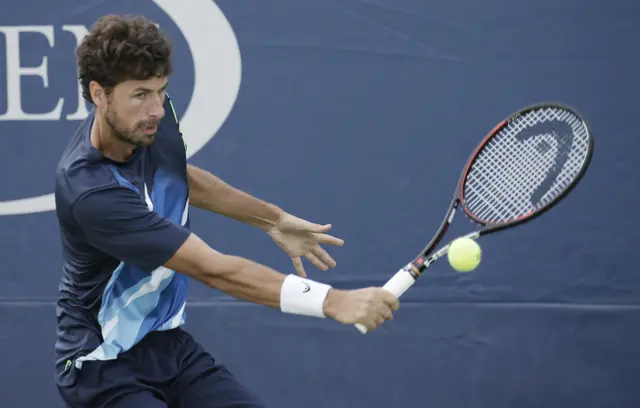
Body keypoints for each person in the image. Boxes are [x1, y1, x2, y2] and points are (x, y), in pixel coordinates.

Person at [53, 14, 399, 408]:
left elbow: (178, 176)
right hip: (101, 364)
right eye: (140, 94)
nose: (156, 110)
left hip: (166, 345)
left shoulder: (149, 122)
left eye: (160, 90)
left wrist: (272, 218)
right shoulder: (91, 192)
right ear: (99, 94)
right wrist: (333, 302)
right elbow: (213, 270)